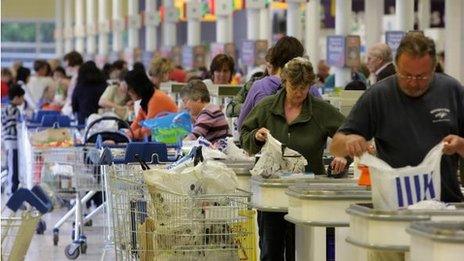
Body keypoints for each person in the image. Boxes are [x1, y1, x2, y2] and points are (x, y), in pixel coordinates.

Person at [330, 33, 464, 205]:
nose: (413, 83)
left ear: (433, 69)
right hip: (395, 209)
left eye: (421, 77)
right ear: (396, 66)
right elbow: (335, 147)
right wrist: (349, 140)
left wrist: (460, 145)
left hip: (445, 206)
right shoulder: (379, 95)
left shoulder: (451, 91)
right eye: (406, 75)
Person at [240, 58, 347, 261]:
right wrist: (256, 136)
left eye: (304, 87)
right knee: (271, 252)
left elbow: (349, 134)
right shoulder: (266, 107)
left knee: (304, 253)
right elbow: (245, 135)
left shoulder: (320, 111)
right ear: (284, 81)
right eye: (294, 86)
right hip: (272, 195)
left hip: (308, 196)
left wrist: (342, 155)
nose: (299, 93)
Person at [237, 36, 321, 130]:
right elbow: (323, 120)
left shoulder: (259, 86)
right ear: (300, 59)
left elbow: (242, 125)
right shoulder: (310, 87)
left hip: (265, 142)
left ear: (275, 57)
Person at [125, 69, 178, 140]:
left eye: (129, 88)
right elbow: (137, 123)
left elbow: (148, 130)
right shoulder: (147, 99)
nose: (128, 92)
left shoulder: (156, 98)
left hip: (170, 141)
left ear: (137, 87)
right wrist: (125, 134)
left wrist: (130, 135)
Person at [2, 85, 25, 195]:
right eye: (22, 98)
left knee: (12, 166)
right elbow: (13, 126)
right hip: (12, 142)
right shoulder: (13, 110)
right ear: (16, 98)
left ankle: (12, 190)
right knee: (13, 168)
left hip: (9, 142)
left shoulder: (7, 108)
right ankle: (12, 192)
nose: (22, 100)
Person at [62, 51, 84, 116]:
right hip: (72, 109)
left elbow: (73, 99)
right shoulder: (75, 76)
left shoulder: (78, 77)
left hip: (73, 111)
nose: (65, 68)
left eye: (66, 66)